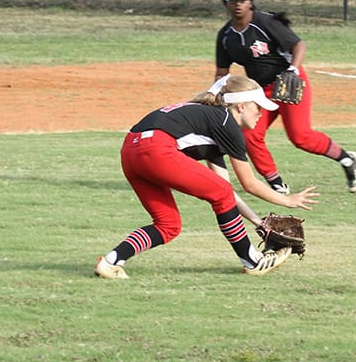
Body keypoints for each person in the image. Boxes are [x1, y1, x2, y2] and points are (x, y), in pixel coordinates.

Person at [94, 74, 319, 279]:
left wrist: (258, 222)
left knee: (169, 225)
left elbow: (225, 190)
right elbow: (249, 184)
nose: (261, 114)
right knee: (218, 194)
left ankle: (110, 262)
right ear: (240, 106)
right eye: (257, 107)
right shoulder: (225, 123)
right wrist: (287, 200)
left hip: (131, 152)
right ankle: (251, 260)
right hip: (155, 149)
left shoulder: (212, 121)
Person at [215, 0, 356, 195]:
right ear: (226, 4)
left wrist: (293, 69)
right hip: (260, 90)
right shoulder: (226, 36)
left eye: (243, 0)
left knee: (300, 137)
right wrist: (216, 95)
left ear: (250, 3)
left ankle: (347, 159)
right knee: (249, 135)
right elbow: (222, 72)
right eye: (233, 1)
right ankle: (276, 183)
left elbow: (298, 45)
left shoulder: (265, 22)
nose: (238, 4)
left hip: (288, 82)